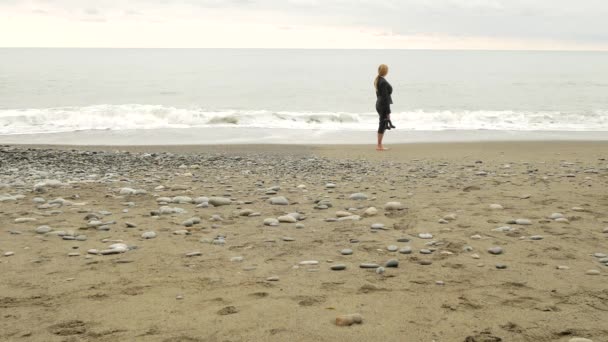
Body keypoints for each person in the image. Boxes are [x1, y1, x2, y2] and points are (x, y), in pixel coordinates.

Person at [374, 64, 395, 151]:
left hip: (379, 103)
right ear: (385, 71)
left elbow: (379, 95)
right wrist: (388, 111)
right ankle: (379, 146)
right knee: (382, 124)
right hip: (383, 104)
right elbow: (385, 97)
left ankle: (379, 145)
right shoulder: (382, 82)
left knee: (382, 123)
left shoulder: (378, 80)